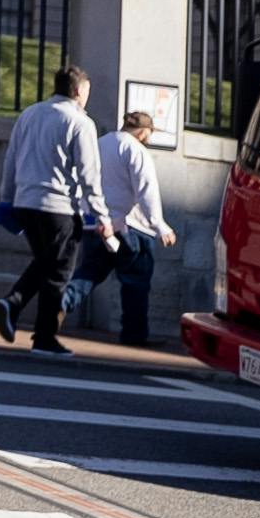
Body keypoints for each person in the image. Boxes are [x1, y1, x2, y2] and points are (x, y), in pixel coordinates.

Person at [0, 65, 114, 354]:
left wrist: (8, 198)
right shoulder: (80, 122)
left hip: (26, 201)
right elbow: (89, 175)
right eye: (87, 91)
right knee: (59, 271)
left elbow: (11, 158)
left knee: (45, 261)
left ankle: (14, 303)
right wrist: (102, 216)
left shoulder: (29, 113)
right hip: (59, 206)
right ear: (78, 90)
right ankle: (43, 336)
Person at [92, 110, 177, 348]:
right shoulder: (137, 151)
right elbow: (146, 192)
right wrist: (160, 226)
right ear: (142, 132)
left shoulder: (101, 143)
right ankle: (134, 335)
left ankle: (57, 308)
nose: (149, 138)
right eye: (149, 133)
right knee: (136, 283)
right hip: (132, 228)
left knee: (88, 275)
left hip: (101, 223)